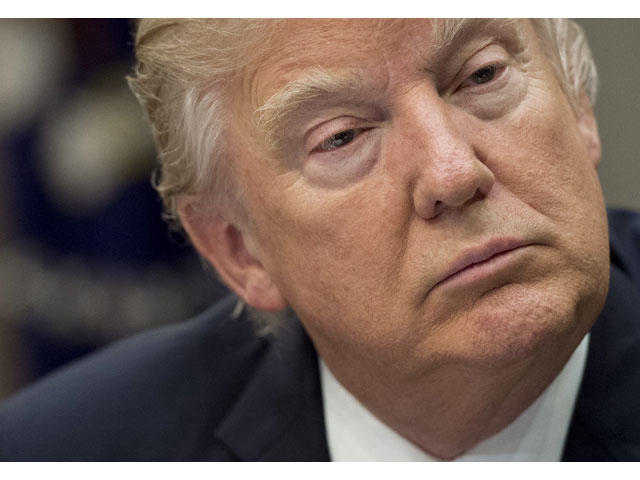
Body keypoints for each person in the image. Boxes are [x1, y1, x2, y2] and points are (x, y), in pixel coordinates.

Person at [1, 18, 639, 461]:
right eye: (340, 137)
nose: (452, 172)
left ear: (579, 102)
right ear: (238, 250)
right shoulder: (55, 452)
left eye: (482, 75)